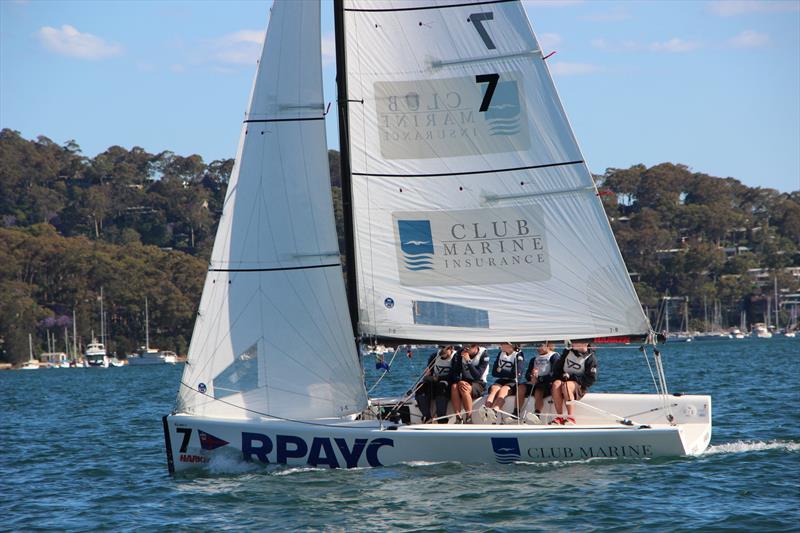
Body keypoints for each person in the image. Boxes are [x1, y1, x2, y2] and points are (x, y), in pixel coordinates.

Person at [550, 341, 598, 425]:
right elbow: (557, 370)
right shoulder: (567, 352)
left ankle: (571, 417)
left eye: (576, 341)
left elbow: (590, 379)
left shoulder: (591, 358)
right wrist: (561, 376)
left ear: (585, 343)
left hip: (579, 386)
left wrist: (572, 377)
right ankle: (559, 417)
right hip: (564, 381)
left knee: (567, 386)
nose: (572, 343)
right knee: (556, 384)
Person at [515, 341, 560, 419]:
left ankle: (537, 413)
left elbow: (555, 374)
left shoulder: (554, 356)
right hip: (535, 382)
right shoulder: (534, 359)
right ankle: (516, 412)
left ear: (548, 345)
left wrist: (540, 379)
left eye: (540, 345)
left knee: (538, 390)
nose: (537, 348)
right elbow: (527, 374)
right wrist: (531, 376)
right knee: (521, 387)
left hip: (547, 383)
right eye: (536, 345)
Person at [415, 345, 456, 424]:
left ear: (451, 349)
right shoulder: (434, 356)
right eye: (440, 348)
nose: (441, 351)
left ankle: (441, 418)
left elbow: (456, 376)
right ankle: (427, 417)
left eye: (444, 348)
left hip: (448, 383)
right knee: (420, 388)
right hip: (434, 381)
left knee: (441, 387)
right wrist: (428, 375)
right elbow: (429, 370)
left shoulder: (455, 357)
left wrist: (439, 378)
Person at [451, 344, 490, 424]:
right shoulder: (460, 353)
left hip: (479, 383)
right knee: (454, 387)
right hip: (465, 381)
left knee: (465, 388)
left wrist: (468, 361)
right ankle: (458, 417)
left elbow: (477, 375)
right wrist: (459, 381)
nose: (466, 349)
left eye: (468, 347)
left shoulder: (484, 355)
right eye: (465, 346)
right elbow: (455, 372)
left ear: (475, 347)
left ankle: (469, 417)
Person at [484, 342, 524, 419]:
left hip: (513, 382)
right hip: (501, 380)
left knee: (503, 391)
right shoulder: (500, 354)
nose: (500, 345)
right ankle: (486, 409)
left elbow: (517, 373)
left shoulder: (518, 354)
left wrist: (501, 371)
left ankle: (495, 409)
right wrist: (504, 372)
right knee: (494, 389)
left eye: (503, 343)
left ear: (510, 345)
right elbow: (494, 373)